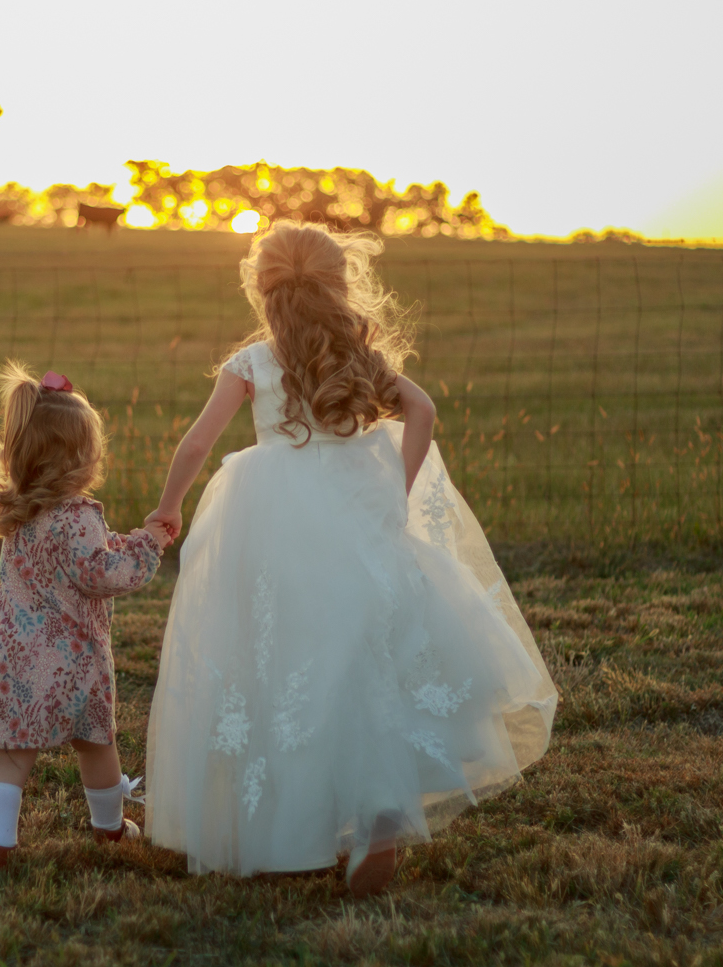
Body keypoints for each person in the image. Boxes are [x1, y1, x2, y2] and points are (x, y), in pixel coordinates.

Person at [140, 223, 557, 895]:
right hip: (357, 507)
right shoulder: (358, 355)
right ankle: (379, 811)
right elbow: (422, 411)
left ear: (262, 289)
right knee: (367, 653)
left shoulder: (253, 362)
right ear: (339, 286)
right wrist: (396, 491)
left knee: (287, 662)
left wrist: (169, 506)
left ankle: (300, 818)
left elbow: (196, 444)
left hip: (273, 519)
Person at [0, 363, 174, 869]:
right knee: (96, 744)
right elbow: (99, 572)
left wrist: (126, 540)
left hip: (13, 658)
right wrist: (148, 546)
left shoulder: (20, 511)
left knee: (11, 754)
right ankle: (110, 828)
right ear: (77, 458)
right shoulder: (77, 516)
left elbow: (79, 557)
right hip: (71, 666)